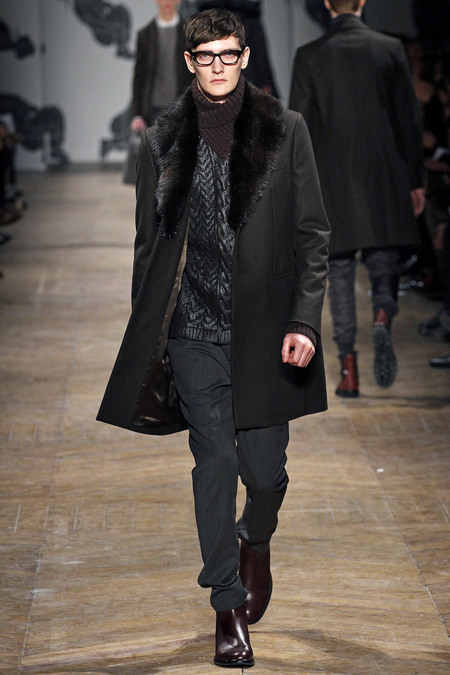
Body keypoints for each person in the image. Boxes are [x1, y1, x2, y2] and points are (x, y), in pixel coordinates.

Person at [98, 8, 330, 668]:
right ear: (191, 62)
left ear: (245, 57)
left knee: (265, 474)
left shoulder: (286, 129)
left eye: (229, 54)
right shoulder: (162, 141)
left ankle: (256, 536)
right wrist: (152, 336)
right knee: (215, 465)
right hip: (192, 329)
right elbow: (148, 248)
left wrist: (304, 320)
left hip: (267, 333)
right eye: (207, 56)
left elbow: (313, 233)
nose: (219, 66)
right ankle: (226, 605)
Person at [289, 0, 425, 397]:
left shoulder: (310, 55)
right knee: (384, 261)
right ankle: (382, 315)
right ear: (362, 2)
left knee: (340, 272)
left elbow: (300, 127)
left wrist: (300, 189)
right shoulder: (389, 49)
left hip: (332, 180)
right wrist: (415, 180)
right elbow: (408, 119)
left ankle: (348, 369)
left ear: (326, 5)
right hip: (385, 173)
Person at [130, 0, 193, 133]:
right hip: (153, 108)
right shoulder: (145, 35)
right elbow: (140, 76)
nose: (166, 1)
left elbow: (196, 73)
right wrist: (137, 114)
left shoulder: (189, 33)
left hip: (183, 107)